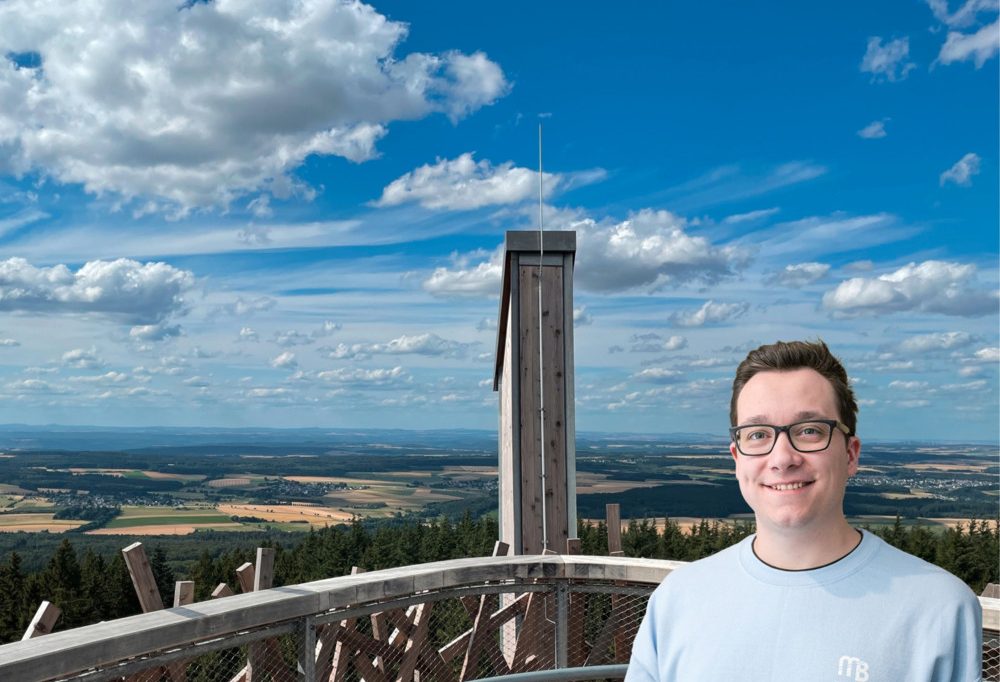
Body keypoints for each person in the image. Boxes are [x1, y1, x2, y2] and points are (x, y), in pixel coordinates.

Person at [626, 340, 982, 681]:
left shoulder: (939, 607)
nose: (782, 458)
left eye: (810, 430)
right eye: (757, 434)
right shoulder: (678, 599)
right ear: (736, 459)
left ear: (850, 454)